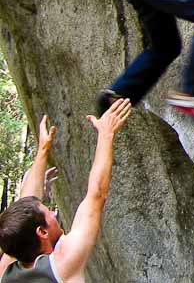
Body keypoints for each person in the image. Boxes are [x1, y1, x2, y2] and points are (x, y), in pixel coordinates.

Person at [0, 99, 132, 282]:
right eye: (48, 214)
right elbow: (96, 195)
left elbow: (25, 203)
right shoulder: (62, 263)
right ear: (42, 232)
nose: (54, 213)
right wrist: (106, 133)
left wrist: (43, 151)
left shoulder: (6, 271)